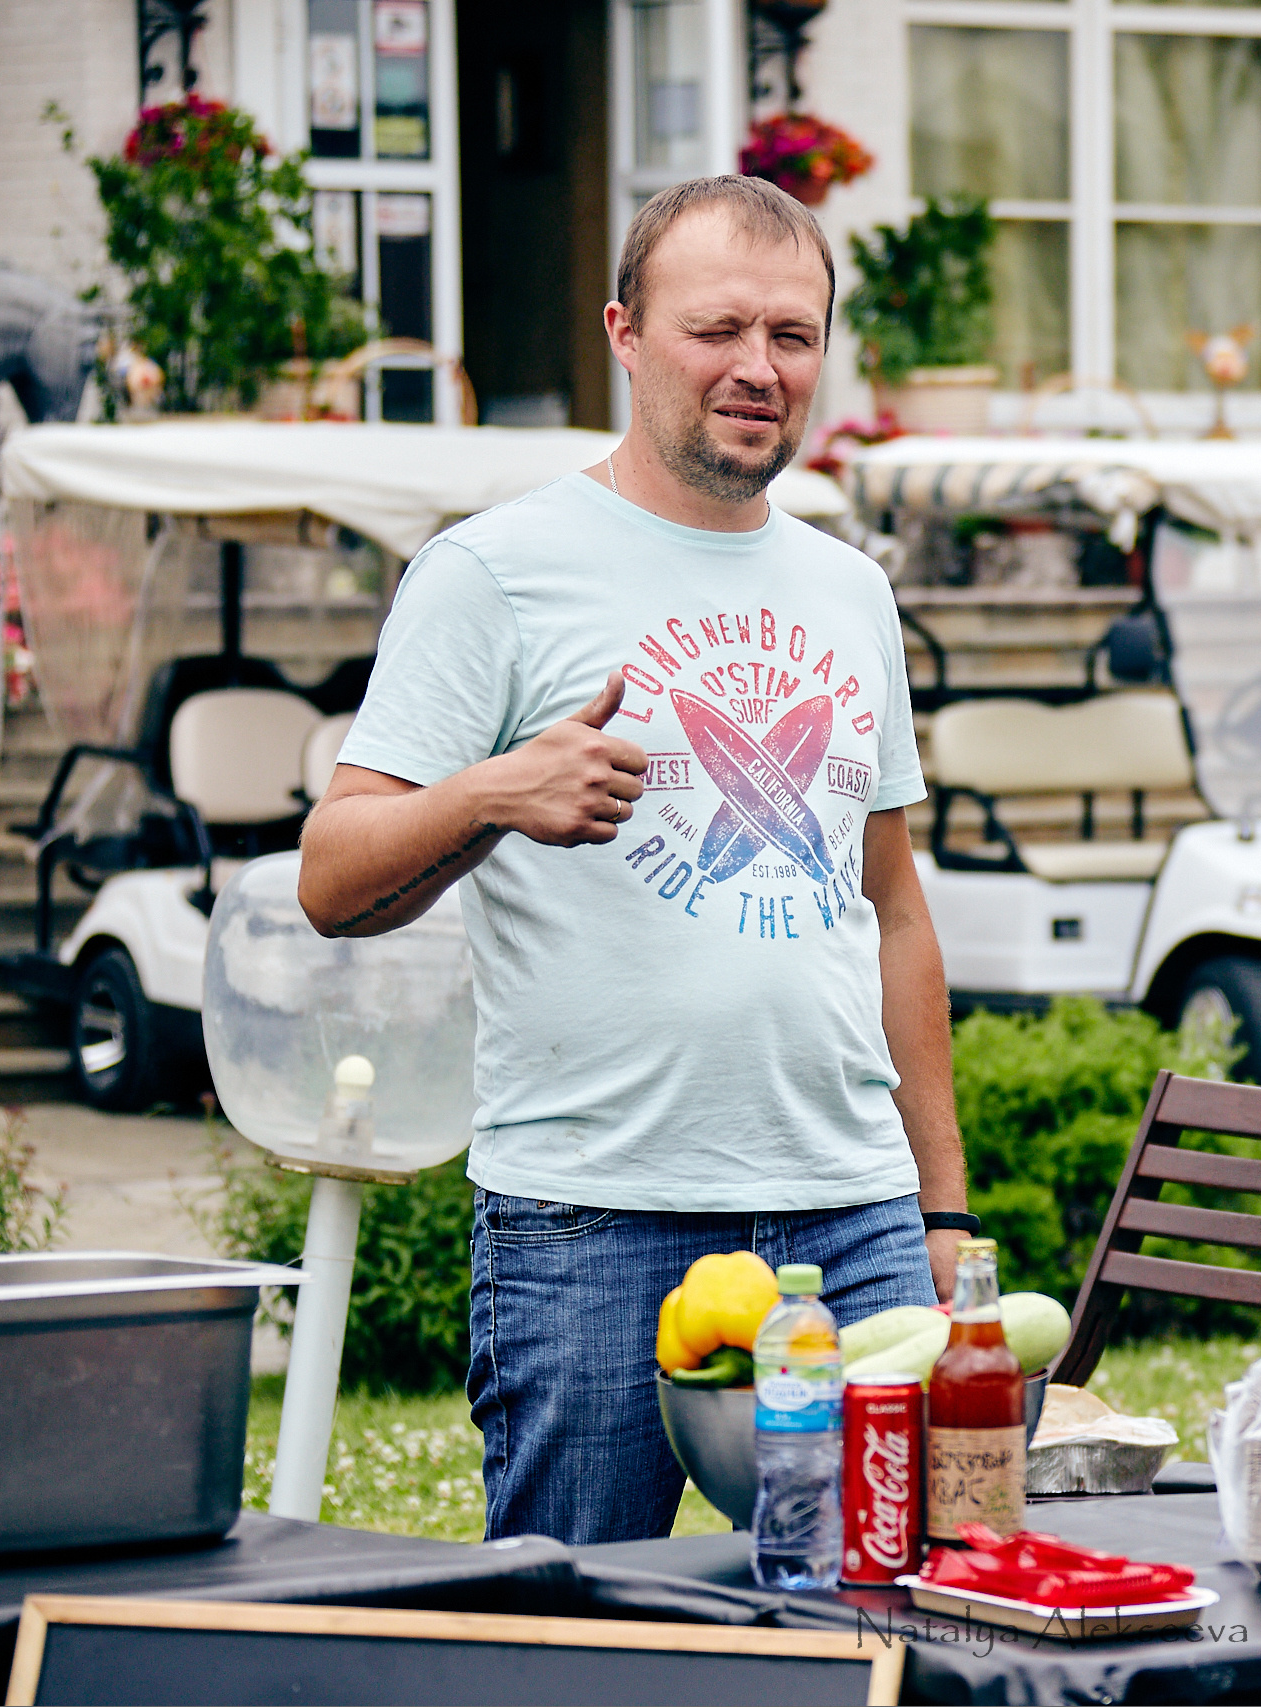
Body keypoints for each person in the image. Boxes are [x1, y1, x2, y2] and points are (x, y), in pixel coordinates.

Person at [297, 176, 974, 1543]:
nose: (757, 367)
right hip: (591, 1218)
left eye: (793, 334)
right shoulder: (493, 572)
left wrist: (942, 1205)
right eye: (716, 327)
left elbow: (892, 907)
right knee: (571, 1627)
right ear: (624, 331)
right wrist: (496, 789)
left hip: (854, 1213)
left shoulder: (852, 591)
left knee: (899, 1619)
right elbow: (331, 872)